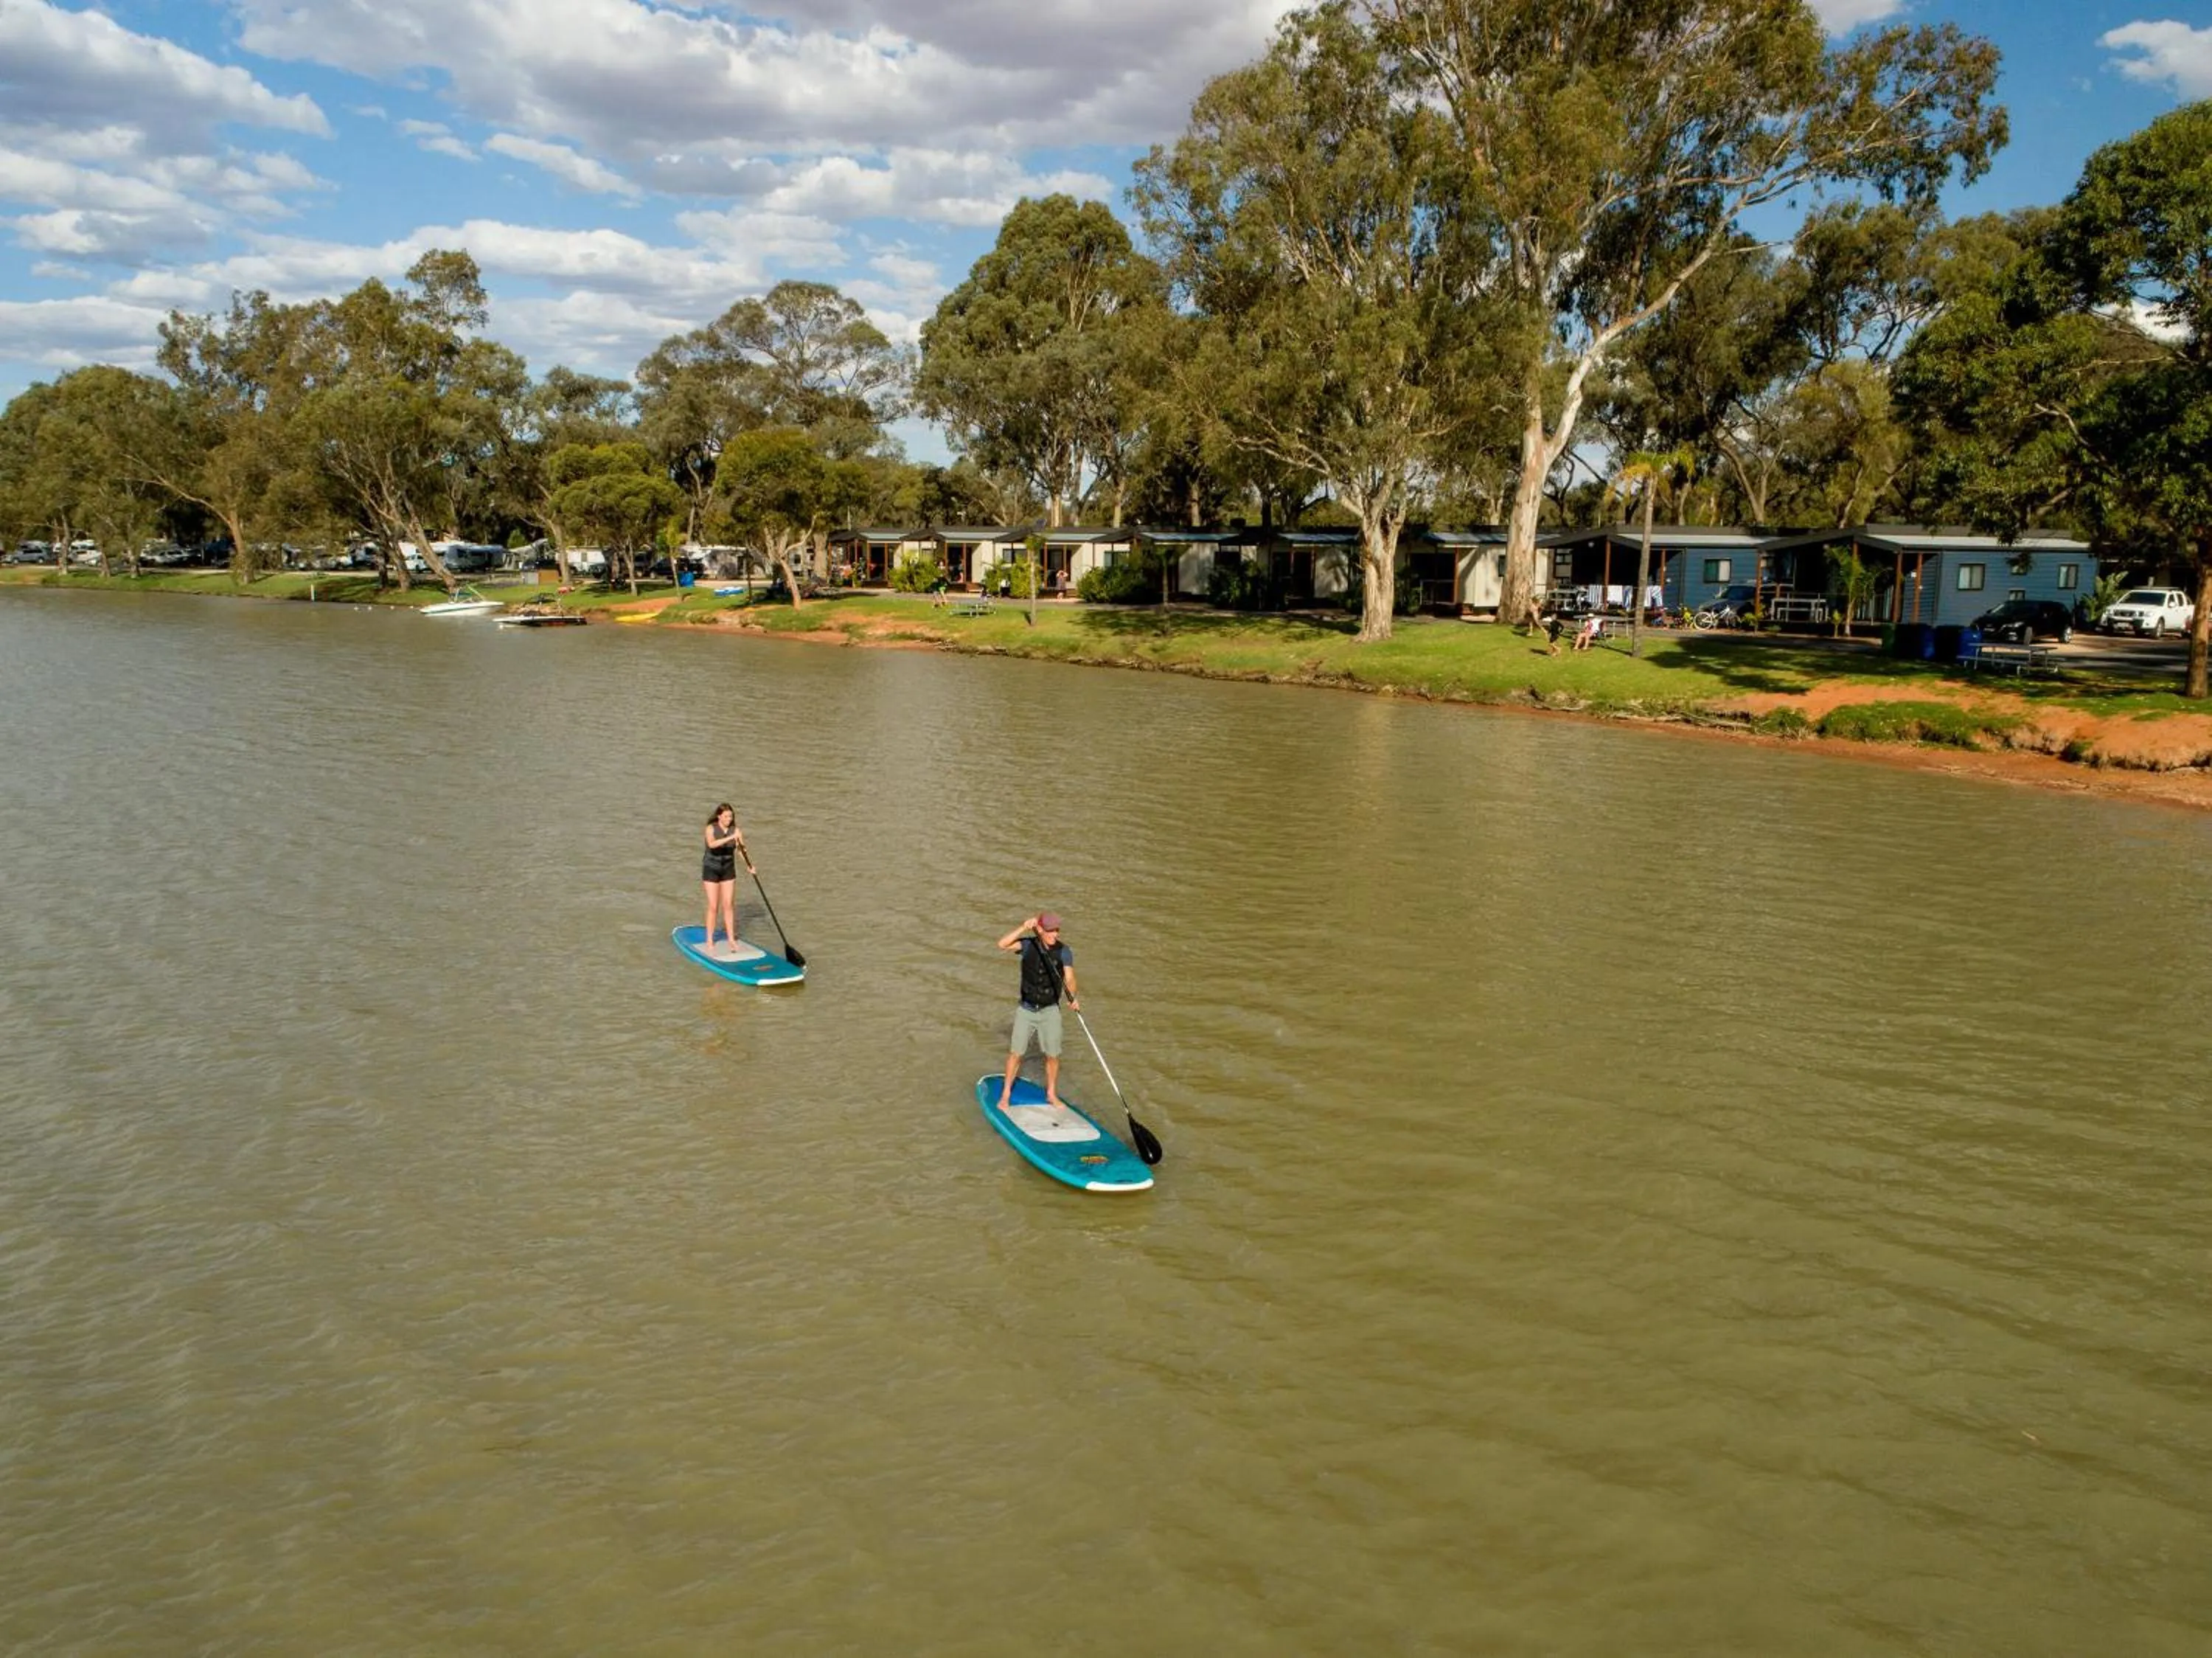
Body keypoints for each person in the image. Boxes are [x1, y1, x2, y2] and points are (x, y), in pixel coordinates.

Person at [995, 912, 1079, 1110]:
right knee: (1016, 1053)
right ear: (1040, 929)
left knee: (1053, 1055)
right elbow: (1002, 945)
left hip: (1050, 1010)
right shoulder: (1027, 945)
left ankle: (1051, 1094)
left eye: (1057, 930)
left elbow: (1070, 978)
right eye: (1050, 930)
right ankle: (1006, 1093)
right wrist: (1023, 927)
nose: (1055, 934)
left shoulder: (1064, 951)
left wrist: (1073, 997)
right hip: (1026, 1009)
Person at [700, 802, 754, 957]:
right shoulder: (711, 829)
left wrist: (750, 866)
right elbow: (712, 844)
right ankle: (710, 940)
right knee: (713, 905)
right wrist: (731, 837)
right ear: (719, 817)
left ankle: (731, 939)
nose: (729, 819)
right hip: (711, 869)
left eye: (731, 816)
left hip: (728, 870)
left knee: (729, 904)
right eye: (726, 817)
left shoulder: (736, 831)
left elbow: (742, 851)